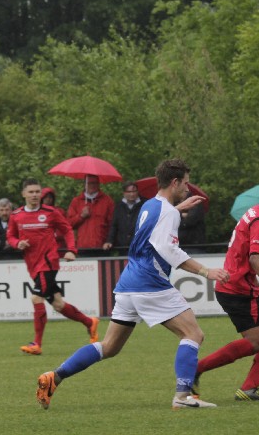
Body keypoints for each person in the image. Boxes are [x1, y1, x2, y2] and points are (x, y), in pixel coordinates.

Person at [35, 159, 229, 410]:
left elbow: (156, 227)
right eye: (186, 183)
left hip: (128, 284)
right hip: (150, 283)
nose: (188, 188)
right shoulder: (168, 212)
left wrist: (176, 209)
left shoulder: (149, 205)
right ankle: (182, 398)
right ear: (174, 182)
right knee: (193, 334)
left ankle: (55, 376)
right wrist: (205, 271)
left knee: (109, 347)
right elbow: (168, 249)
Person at [195, 177, 259, 400]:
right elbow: (254, 258)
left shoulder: (255, 213)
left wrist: (255, 282)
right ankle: (195, 369)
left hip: (239, 284)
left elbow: (241, 254)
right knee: (258, 341)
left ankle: (249, 389)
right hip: (236, 289)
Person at [8, 178, 99, 356]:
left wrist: (71, 250)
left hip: (48, 263)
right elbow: (10, 236)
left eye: (37, 192)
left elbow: (67, 229)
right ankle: (90, 322)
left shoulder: (50, 212)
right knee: (58, 304)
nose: (35, 195)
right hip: (33, 265)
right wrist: (17, 243)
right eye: (31, 192)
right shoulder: (16, 215)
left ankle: (37, 343)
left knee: (36, 298)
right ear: (24, 194)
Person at [67, 175, 114, 256]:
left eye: (95, 183)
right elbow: (69, 224)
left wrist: (109, 241)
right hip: (83, 247)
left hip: (102, 247)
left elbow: (112, 224)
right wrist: (81, 216)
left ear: (99, 184)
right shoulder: (76, 201)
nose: (92, 185)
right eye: (90, 183)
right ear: (85, 184)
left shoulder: (107, 201)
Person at [104, 181, 142, 254]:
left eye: (134, 191)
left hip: (139, 247)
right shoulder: (118, 206)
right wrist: (109, 241)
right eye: (129, 192)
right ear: (124, 193)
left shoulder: (144, 205)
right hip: (122, 247)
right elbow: (114, 225)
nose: (132, 194)